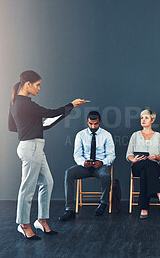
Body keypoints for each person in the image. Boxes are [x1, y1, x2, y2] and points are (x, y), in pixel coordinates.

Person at [8, 70, 86, 240]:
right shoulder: (25, 103)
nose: (39, 89)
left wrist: (34, 125)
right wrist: (72, 105)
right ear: (27, 84)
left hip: (34, 147)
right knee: (27, 189)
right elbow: (51, 112)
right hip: (31, 148)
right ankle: (24, 225)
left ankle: (41, 220)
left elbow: (12, 127)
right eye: (37, 85)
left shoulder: (16, 102)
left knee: (47, 182)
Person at [59, 111, 116, 221]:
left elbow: (111, 155)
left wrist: (102, 162)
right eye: (90, 124)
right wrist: (83, 162)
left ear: (100, 122)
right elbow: (77, 154)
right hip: (85, 166)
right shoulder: (80, 135)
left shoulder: (106, 135)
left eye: (95, 124)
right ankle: (69, 209)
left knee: (106, 175)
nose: (93, 126)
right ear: (87, 122)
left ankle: (103, 203)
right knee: (69, 173)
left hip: (100, 166)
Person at [126, 109, 160, 219]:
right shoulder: (135, 135)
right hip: (137, 165)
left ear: (152, 120)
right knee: (145, 165)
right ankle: (159, 193)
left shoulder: (158, 136)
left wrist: (155, 157)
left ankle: (144, 209)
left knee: (146, 171)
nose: (143, 120)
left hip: (154, 166)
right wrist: (133, 159)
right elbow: (128, 154)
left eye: (146, 118)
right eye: (142, 118)